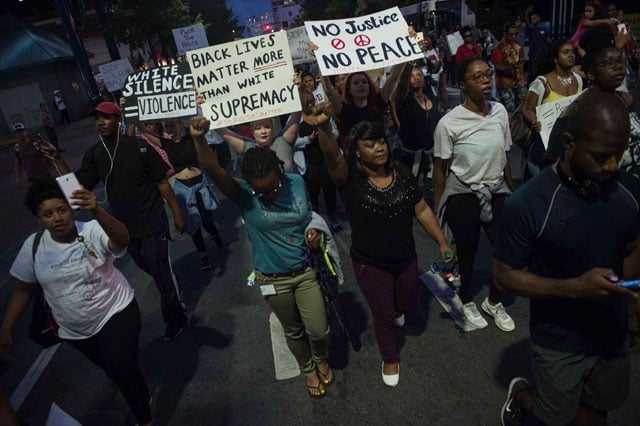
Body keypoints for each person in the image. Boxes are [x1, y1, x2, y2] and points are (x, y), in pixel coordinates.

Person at [494, 89, 640, 426]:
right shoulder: (529, 203)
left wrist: (629, 302)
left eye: (618, 154)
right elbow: (504, 276)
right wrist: (575, 288)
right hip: (559, 343)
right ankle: (522, 397)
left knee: (596, 412)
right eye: (601, 156)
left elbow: (633, 246)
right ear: (570, 142)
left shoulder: (628, 190)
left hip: (612, 337)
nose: (613, 166)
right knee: (553, 417)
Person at [191, 116, 334, 398]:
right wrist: (198, 139)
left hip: (305, 272)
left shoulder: (295, 182)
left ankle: (320, 356)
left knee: (319, 330)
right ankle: (308, 368)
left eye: (274, 187)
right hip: (272, 279)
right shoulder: (243, 194)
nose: (268, 194)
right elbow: (212, 167)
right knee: (293, 330)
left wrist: (312, 232)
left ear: (281, 173)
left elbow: (307, 217)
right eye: (261, 191)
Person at [314, 108, 454, 386]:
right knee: (384, 316)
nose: (379, 148)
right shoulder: (349, 179)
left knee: (407, 303)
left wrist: (442, 242)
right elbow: (332, 156)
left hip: (406, 258)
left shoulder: (401, 172)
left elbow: (422, 208)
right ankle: (389, 357)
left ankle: (398, 309)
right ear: (356, 151)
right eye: (370, 144)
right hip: (370, 264)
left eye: (381, 141)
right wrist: (325, 129)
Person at [0, 178, 152, 425]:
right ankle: (136, 389)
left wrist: (97, 210)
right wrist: (6, 328)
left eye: (61, 210)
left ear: (71, 210)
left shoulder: (90, 229)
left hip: (115, 310)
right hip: (74, 331)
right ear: (39, 220)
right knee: (115, 370)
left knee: (121, 368)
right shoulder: (34, 246)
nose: (57, 218)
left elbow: (122, 240)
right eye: (48, 214)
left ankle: (145, 418)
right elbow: (23, 289)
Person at [43, 101, 188, 340]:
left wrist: (178, 214)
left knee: (160, 273)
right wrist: (58, 160)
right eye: (97, 118)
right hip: (124, 230)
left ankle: (176, 318)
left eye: (106, 117)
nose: (100, 122)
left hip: (153, 222)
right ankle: (171, 284)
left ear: (118, 120)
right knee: (151, 268)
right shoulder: (95, 154)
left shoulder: (139, 146)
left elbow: (162, 183)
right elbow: (76, 191)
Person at [433, 57, 516, 332]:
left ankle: (493, 302)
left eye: (487, 74)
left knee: (509, 250)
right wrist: (437, 219)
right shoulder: (448, 124)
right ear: (463, 85)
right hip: (463, 192)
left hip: (496, 189)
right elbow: (440, 172)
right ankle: (466, 299)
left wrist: (511, 193)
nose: (485, 80)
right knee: (467, 250)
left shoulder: (500, 112)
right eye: (477, 77)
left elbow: (504, 156)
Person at [139, 119, 223, 270]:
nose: (169, 127)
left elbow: (198, 129)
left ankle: (214, 233)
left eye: (171, 124)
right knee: (193, 223)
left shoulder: (190, 139)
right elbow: (145, 132)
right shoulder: (165, 143)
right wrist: (134, 118)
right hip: (182, 188)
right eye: (167, 125)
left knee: (206, 220)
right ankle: (203, 255)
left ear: (179, 124)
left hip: (198, 184)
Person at [521, 40, 584, 178]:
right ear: (555, 58)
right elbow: (527, 109)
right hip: (546, 145)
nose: (571, 55)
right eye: (565, 52)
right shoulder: (541, 83)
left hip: (569, 142)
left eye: (572, 52)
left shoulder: (578, 79)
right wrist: (534, 120)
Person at [294, 88, 342, 230]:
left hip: (325, 158)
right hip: (309, 162)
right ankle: (315, 219)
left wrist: (326, 131)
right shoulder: (296, 121)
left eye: (312, 101)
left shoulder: (321, 114)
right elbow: (292, 141)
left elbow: (336, 133)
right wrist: (308, 139)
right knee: (313, 190)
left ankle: (332, 216)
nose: (311, 105)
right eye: (307, 102)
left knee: (329, 188)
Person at [393, 64, 441, 178]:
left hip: (431, 155)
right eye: (411, 76)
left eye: (419, 75)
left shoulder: (432, 98)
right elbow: (401, 87)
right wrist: (409, 64)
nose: (416, 78)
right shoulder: (403, 100)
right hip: (408, 158)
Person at [215, 113, 300, 174]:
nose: (263, 131)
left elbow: (296, 116)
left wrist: (297, 92)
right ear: (252, 131)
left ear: (273, 128)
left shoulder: (283, 141)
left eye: (267, 127)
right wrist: (205, 109)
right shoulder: (248, 147)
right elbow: (223, 131)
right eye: (258, 128)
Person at [491, 22, 526, 113]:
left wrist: (521, 78)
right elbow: (497, 67)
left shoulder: (518, 46)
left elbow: (521, 63)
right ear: (505, 33)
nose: (514, 36)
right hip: (504, 84)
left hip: (518, 82)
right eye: (511, 34)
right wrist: (512, 66)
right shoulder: (498, 48)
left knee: (523, 107)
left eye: (516, 34)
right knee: (510, 110)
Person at [524, 6, 551, 84]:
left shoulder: (544, 30)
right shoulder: (531, 30)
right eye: (532, 18)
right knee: (532, 73)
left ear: (539, 19)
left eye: (534, 18)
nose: (532, 20)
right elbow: (526, 22)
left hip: (542, 56)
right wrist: (527, 14)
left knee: (541, 73)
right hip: (533, 56)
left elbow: (548, 42)